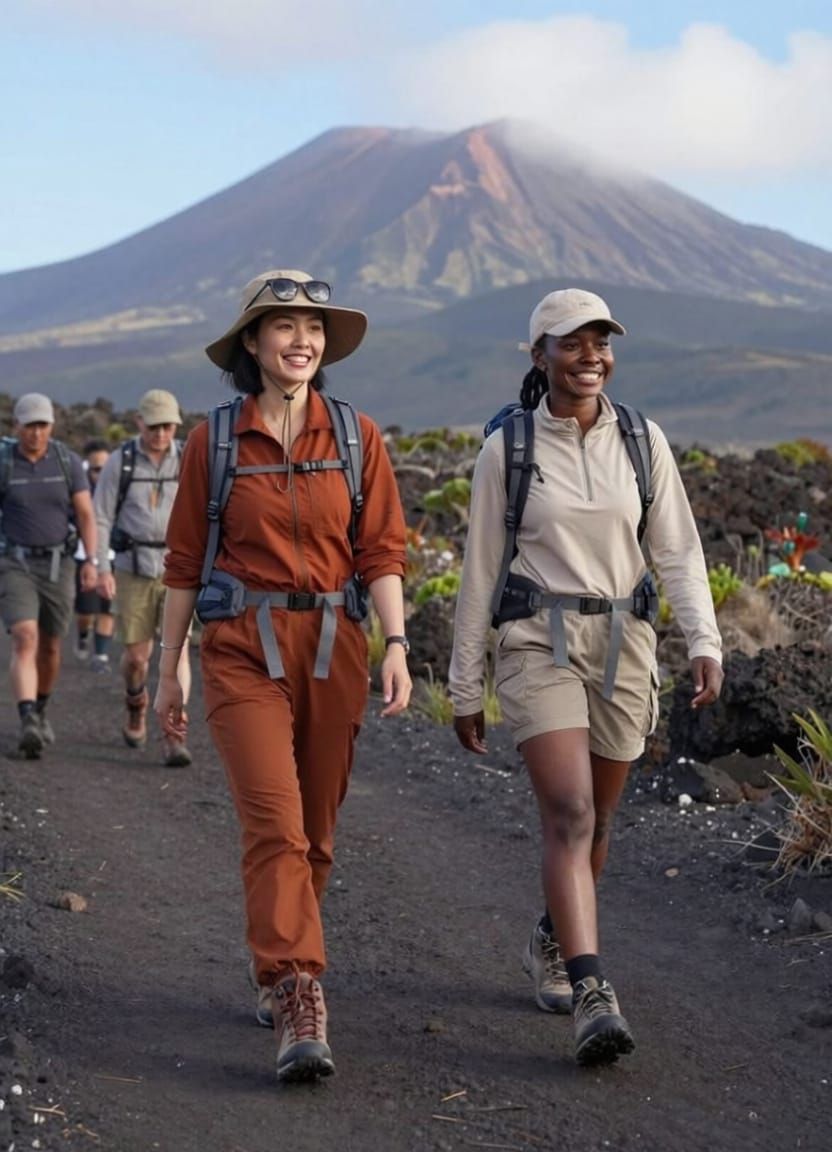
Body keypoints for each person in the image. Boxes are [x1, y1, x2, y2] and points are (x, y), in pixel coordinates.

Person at [448, 289, 724, 1067]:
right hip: (538, 640)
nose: (591, 356)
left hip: (626, 644)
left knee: (599, 822)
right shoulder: (510, 449)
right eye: (573, 343)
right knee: (568, 812)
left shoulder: (643, 440)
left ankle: (550, 935)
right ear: (540, 356)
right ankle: (593, 990)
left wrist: (704, 639)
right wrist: (465, 683)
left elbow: (676, 550)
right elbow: (478, 573)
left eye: (602, 342)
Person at [153, 269, 412, 1084]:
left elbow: (382, 551)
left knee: (318, 831)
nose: (301, 338)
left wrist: (398, 641)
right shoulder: (214, 441)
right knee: (275, 822)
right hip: (240, 646)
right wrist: (170, 673)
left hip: (336, 643)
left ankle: (281, 943)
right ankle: (297, 986)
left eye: (313, 326)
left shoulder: (357, 435)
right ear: (252, 345)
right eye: (283, 325)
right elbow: (185, 564)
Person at [93, 390, 192, 766]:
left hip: (177, 570)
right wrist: (103, 567)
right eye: (154, 427)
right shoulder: (123, 462)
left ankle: (174, 735)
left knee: (177, 651)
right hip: (133, 567)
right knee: (137, 657)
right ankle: (136, 702)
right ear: (139, 423)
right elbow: (101, 516)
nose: (161, 434)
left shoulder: (186, 458)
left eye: (168, 426)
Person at [0, 393, 98, 757]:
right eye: (29, 426)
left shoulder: (67, 462)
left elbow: (86, 515)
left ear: (52, 426)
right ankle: (27, 719)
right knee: (25, 636)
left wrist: (91, 561)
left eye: (42, 426)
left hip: (60, 563)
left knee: (52, 644)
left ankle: (41, 708)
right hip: (15, 562)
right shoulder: (5, 463)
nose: (36, 433)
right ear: (17, 427)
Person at [73, 439, 115, 672]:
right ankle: (82, 632)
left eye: (105, 468)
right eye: (96, 469)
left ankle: (101, 656)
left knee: (109, 607)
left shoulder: (119, 486)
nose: (101, 474)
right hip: (85, 556)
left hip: (112, 554)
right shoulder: (78, 490)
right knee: (86, 610)